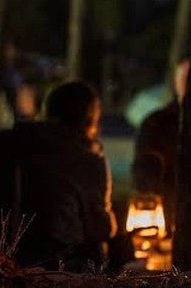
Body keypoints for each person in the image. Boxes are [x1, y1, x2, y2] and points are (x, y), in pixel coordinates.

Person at [16, 80, 117, 270]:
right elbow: (99, 228)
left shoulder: (20, 144)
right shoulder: (86, 158)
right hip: (61, 261)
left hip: (4, 254)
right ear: (90, 118)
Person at [131, 57, 191, 234]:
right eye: (186, 78)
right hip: (167, 220)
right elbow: (144, 177)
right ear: (177, 81)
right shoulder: (156, 125)